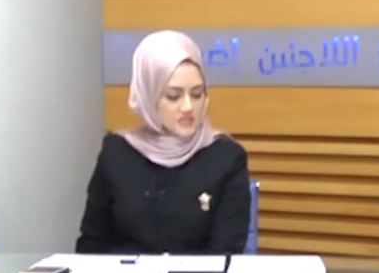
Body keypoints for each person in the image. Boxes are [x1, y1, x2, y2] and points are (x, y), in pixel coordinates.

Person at [76, 30, 253, 255]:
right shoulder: (116, 153)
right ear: (149, 97)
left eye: (197, 94)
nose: (188, 107)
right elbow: (92, 244)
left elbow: (224, 253)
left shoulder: (226, 157)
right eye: (173, 96)